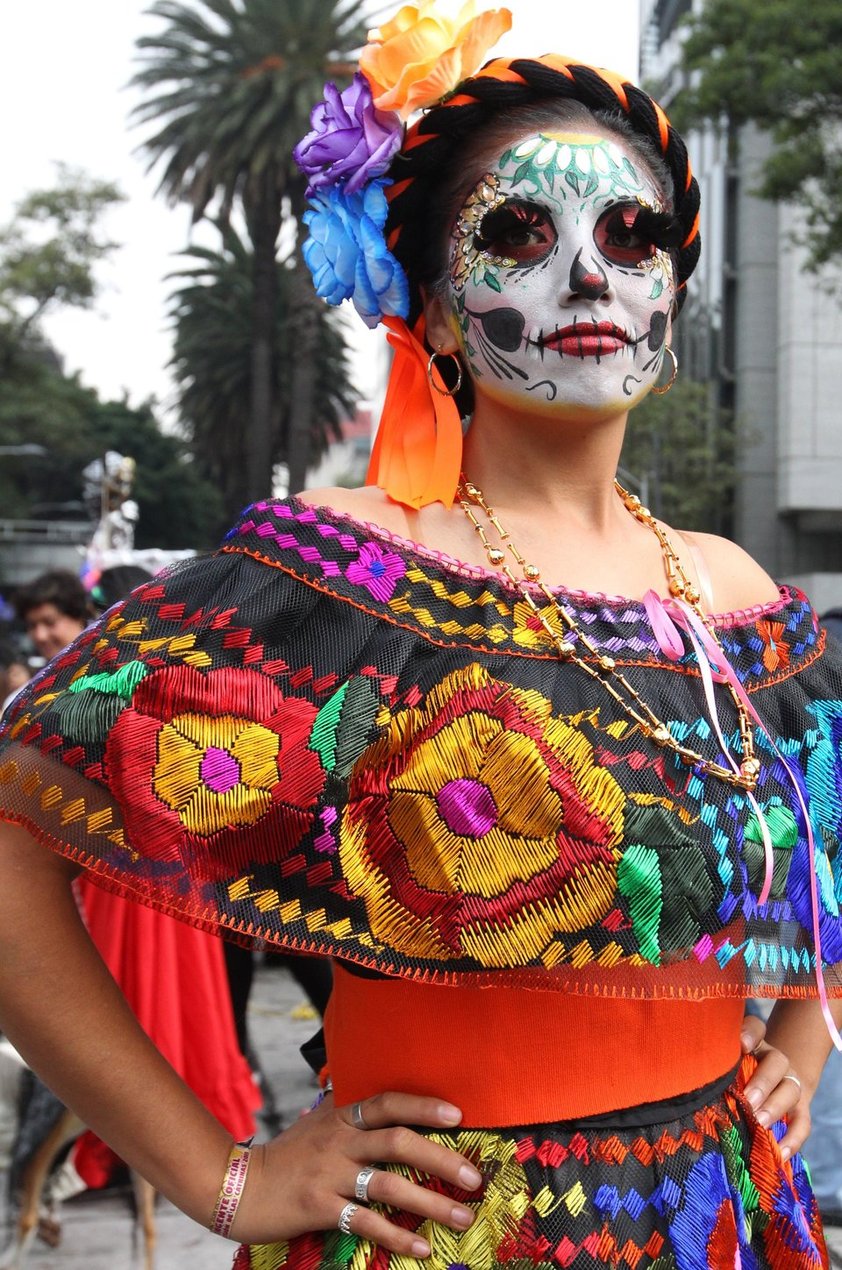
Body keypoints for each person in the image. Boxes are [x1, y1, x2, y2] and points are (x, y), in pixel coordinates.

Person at [0, 5, 840, 1268]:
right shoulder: (330, 570)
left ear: (671, 291)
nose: (588, 276)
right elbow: (13, 835)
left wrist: (799, 1045)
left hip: (722, 1216)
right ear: (435, 308)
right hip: (437, 1233)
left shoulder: (730, 594)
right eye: (516, 233)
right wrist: (220, 1175)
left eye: (632, 235)